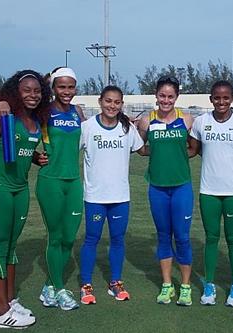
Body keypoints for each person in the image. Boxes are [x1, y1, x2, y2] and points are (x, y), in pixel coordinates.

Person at [0, 67, 86, 311]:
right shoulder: (43, 111)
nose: (66, 92)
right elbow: (22, 123)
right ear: (53, 88)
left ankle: (49, 285)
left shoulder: (79, 112)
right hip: (50, 182)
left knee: (69, 238)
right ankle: (58, 290)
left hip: (74, 182)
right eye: (61, 87)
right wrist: (4, 101)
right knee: (55, 236)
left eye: (71, 87)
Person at [0, 69, 51, 329]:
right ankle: (0, 313)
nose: (33, 95)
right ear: (16, 92)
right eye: (27, 90)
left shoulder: (33, 121)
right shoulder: (4, 116)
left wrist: (34, 158)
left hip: (20, 190)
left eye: (37, 90)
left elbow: (19, 149)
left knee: (10, 249)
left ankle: (9, 301)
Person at [78, 86, 145, 304]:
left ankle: (115, 282)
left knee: (117, 239)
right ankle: (86, 284)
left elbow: (141, 148)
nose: (112, 106)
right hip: (95, 197)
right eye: (108, 101)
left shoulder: (127, 128)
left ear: (122, 104)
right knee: (91, 239)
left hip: (120, 197)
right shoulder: (87, 127)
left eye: (117, 102)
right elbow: (69, 152)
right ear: (100, 101)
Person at [188, 80, 233, 307]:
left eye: (226, 98)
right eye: (217, 97)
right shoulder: (200, 122)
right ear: (211, 99)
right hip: (209, 191)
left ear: (232, 99)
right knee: (212, 237)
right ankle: (210, 284)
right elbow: (192, 151)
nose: (221, 102)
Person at [137, 76, 195, 306]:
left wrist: (175, 156)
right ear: (156, 95)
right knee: (163, 236)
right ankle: (167, 285)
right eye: (162, 95)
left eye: (170, 96)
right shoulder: (146, 121)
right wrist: (159, 154)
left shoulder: (187, 120)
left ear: (177, 97)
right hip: (157, 188)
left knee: (182, 237)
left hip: (181, 187)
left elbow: (193, 148)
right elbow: (140, 148)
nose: (166, 100)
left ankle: (186, 286)